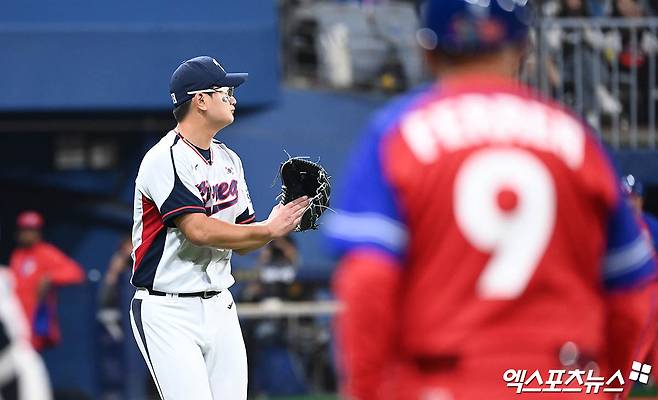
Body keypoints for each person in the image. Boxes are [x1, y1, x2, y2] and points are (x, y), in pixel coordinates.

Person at [324, 1, 657, 399]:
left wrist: (365, 390)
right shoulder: (577, 141)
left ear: (427, 52)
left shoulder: (399, 133)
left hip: (446, 379)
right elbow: (631, 297)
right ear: (524, 47)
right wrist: (609, 386)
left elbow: (367, 282)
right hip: (560, 379)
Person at [129, 55, 310, 400]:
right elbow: (198, 229)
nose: (233, 99)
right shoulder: (165, 158)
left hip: (220, 306)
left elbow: (242, 242)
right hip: (168, 310)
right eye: (225, 91)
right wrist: (268, 230)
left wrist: (281, 219)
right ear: (200, 100)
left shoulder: (229, 159)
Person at [9, 211, 84, 351]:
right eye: (24, 230)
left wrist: (50, 277)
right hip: (17, 323)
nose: (27, 234)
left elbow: (75, 272)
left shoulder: (46, 252)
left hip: (37, 323)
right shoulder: (17, 255)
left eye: (32, 230)